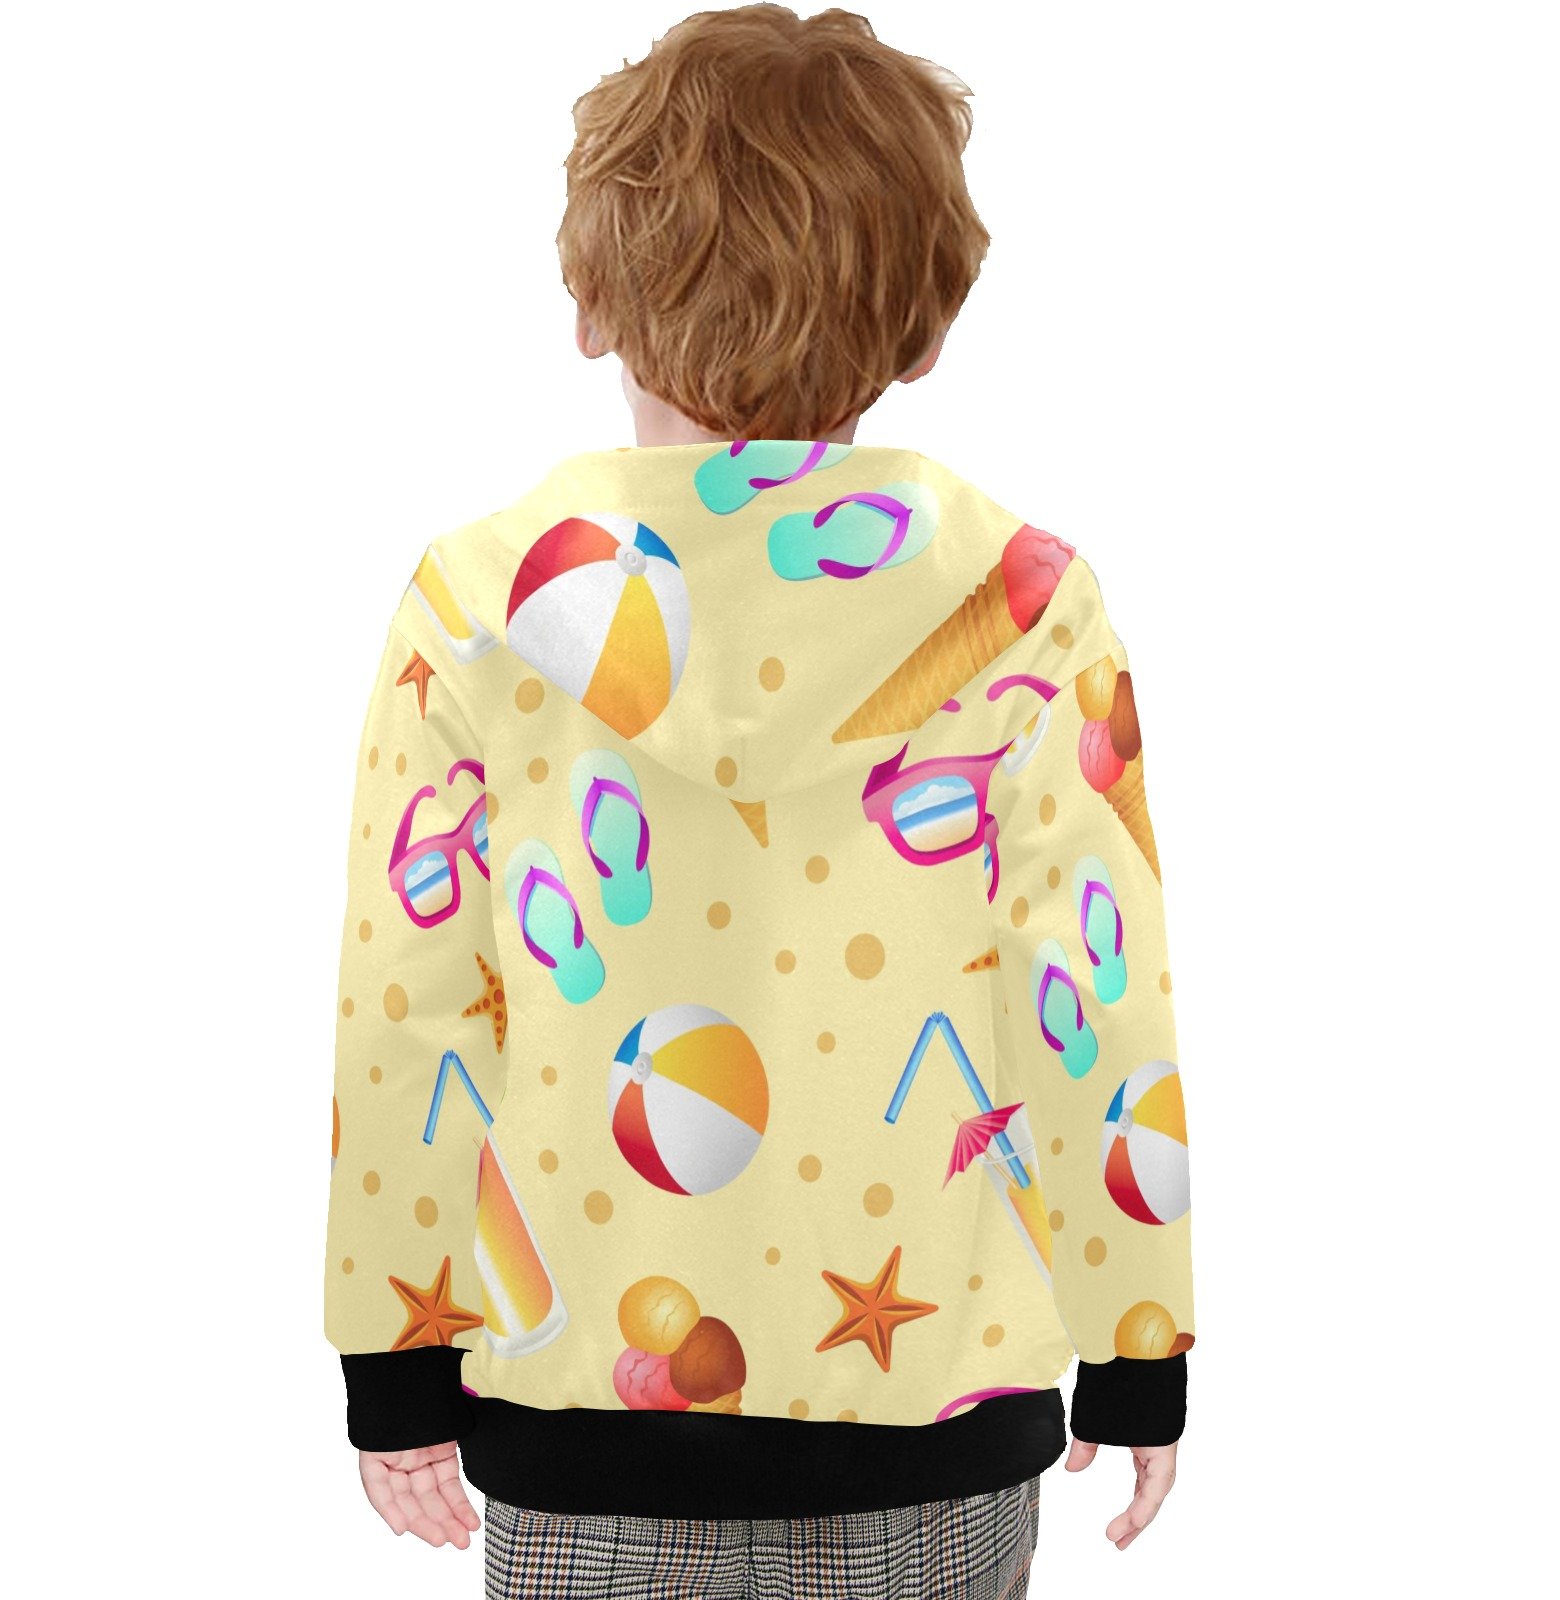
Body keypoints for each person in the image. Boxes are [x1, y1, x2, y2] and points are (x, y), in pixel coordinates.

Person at [322, 7, 1194, 1596]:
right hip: (935, 1425)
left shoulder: (476, 607)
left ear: (590, 302)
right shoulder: (1024, 609)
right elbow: (1093, 988)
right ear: (925, 332)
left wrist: (393, 1353)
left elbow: (412, 998)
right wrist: (1137, 1340)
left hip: (581, 1422)